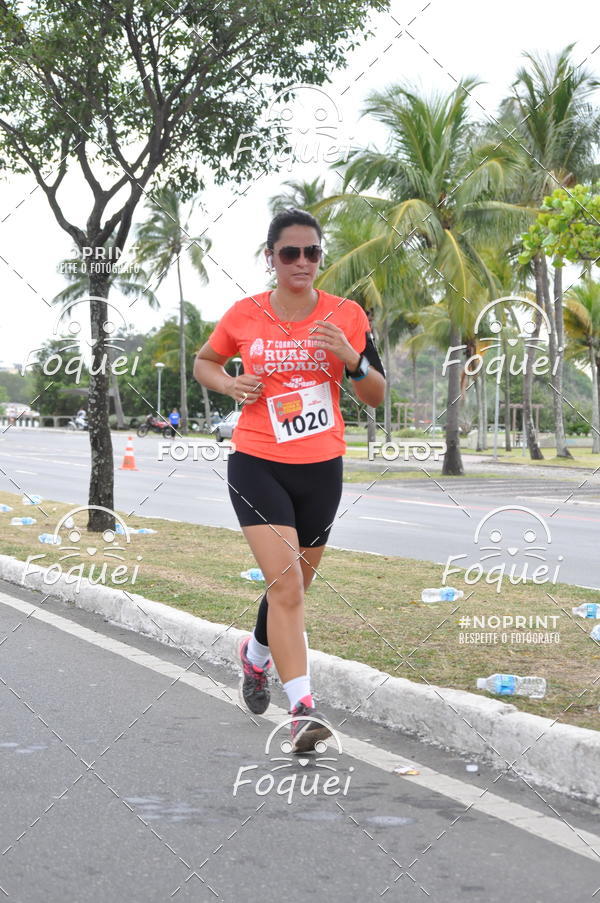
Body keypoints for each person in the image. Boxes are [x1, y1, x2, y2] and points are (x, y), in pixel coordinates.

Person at [193, 207, 386, 753]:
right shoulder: (245, 313)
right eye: (290, 253)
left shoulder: (347, 314)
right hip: (257, 461)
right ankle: (303, 710)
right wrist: (230, 385)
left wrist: (351, 357)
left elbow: (375, 394)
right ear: (271, 258)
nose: (302, 262)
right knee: (286, 587)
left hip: (322, 467)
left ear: (321, 256)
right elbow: (204, 362)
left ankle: (254, 656)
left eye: (312, 252)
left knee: (295, 585)